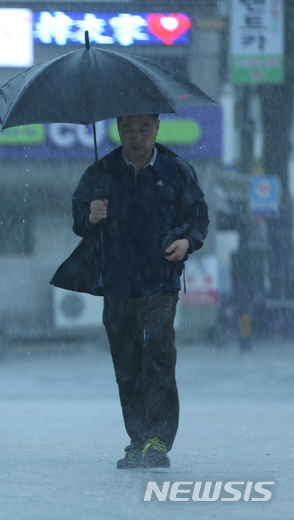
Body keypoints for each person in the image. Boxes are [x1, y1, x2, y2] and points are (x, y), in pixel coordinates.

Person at [59, 113, 209, 469]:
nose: (136, 137)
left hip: (160, 279)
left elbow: (198, 217)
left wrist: (187, 241)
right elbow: (78, 216)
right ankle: (137, 437)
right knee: (126, 362)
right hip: (118, 281)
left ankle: (158, 438)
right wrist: (91, 216)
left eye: (143, 129)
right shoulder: (102, 171)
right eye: (128, 129)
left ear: (156, 128)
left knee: (158, 350)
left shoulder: (176, 170)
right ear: (118, 131)